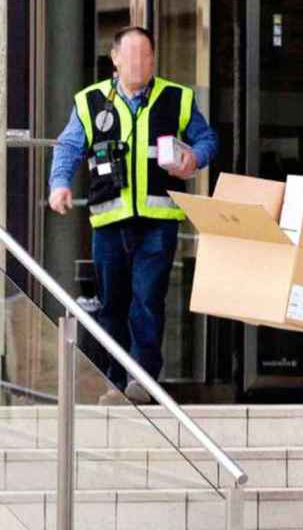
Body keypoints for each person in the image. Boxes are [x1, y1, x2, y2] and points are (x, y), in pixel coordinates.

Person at [48, 26, 218, 405]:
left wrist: (195, 157)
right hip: (109, 223)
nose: (138, 63)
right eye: (131, 55)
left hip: (158, 221)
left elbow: (207, 140)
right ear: (115, 58)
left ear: (154, 60)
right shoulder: (91, 101)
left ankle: (142, 380)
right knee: (113, 305)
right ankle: (114, 382)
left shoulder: (177, 98)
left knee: (147, 300)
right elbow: (69, 147)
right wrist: (59, 184)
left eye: (146, 56)